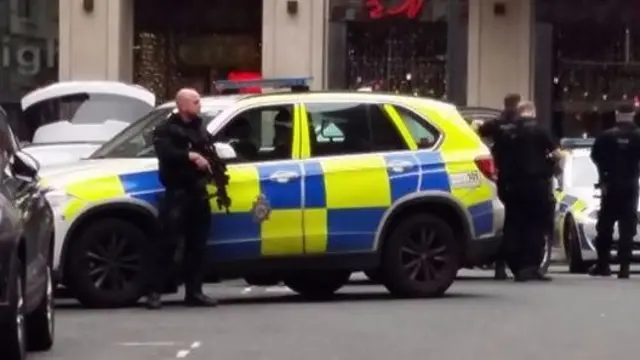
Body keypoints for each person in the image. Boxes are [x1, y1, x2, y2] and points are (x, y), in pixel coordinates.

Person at [146, 88, 218, 309]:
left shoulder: (200, 128)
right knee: (167, 244)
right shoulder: (166, 130)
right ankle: (154, 291)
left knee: (197, 246)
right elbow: (165, 153)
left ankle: (194, 292)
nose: (200, 106)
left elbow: (210, 150)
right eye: (196, 102)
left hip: (198, 194)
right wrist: (190, 156)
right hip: (177, 194)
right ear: (183, 105)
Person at [494, 101, 560, 282]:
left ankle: (513, 264)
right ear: (532, 112)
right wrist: (551, 166)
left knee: (513, 224)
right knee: (535, 225)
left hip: (511, 185)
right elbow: (557, 154)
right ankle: (530, 266)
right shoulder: (540, 131)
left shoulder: (506, 133)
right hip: (536, 184)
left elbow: (497, 157)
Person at [473, 93, 521, 280]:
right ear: (517, 105)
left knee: (502, 221)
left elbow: (478, 133)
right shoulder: (520, 125)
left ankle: (499, 265)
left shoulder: (495, 123)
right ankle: (515, 264)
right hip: (518, 175)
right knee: (516, 222)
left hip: (500, 175)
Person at [589, 104, 640, 279]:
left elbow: (594, 156)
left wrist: (604, 173)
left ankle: (603, 264)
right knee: (627, 226)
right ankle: (624, 266)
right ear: (633, 115)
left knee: (605, 225)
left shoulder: (605, 136)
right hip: (631, 183)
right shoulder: (638, 136)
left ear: (617, 115)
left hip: (609, 184)